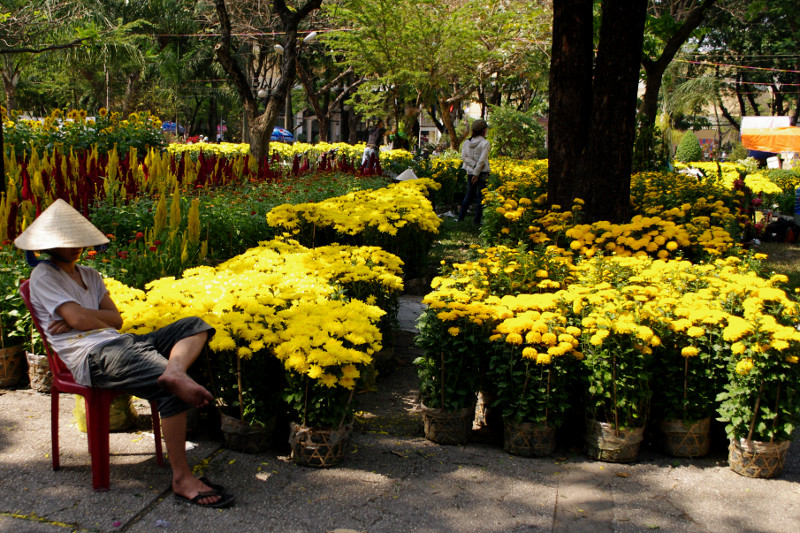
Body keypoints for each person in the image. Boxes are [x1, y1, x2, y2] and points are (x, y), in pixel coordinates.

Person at [14, 199, 235, 509]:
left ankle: (174, 370)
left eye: (80, 239)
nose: (77, 246)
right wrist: (82, 317)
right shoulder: (44, 276)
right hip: (93, 356)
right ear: (50, 246)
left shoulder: (90, 275)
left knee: (195, 325)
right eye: (68, 241)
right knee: (167, 389)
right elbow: (83, 321)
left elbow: (115, 321)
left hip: (124, 344)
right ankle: (182, 477)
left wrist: (81, 316)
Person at [457, 119, 491, 225]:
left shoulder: (467, 143)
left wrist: (473, 167)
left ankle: (460, 218)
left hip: (470, 172)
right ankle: (477, 221)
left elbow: (464, 157)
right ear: (484, 131)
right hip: (483, 173)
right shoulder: (485, 143)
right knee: (481, 197)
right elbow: (482, 160)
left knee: (469, 195)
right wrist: (477, 173)